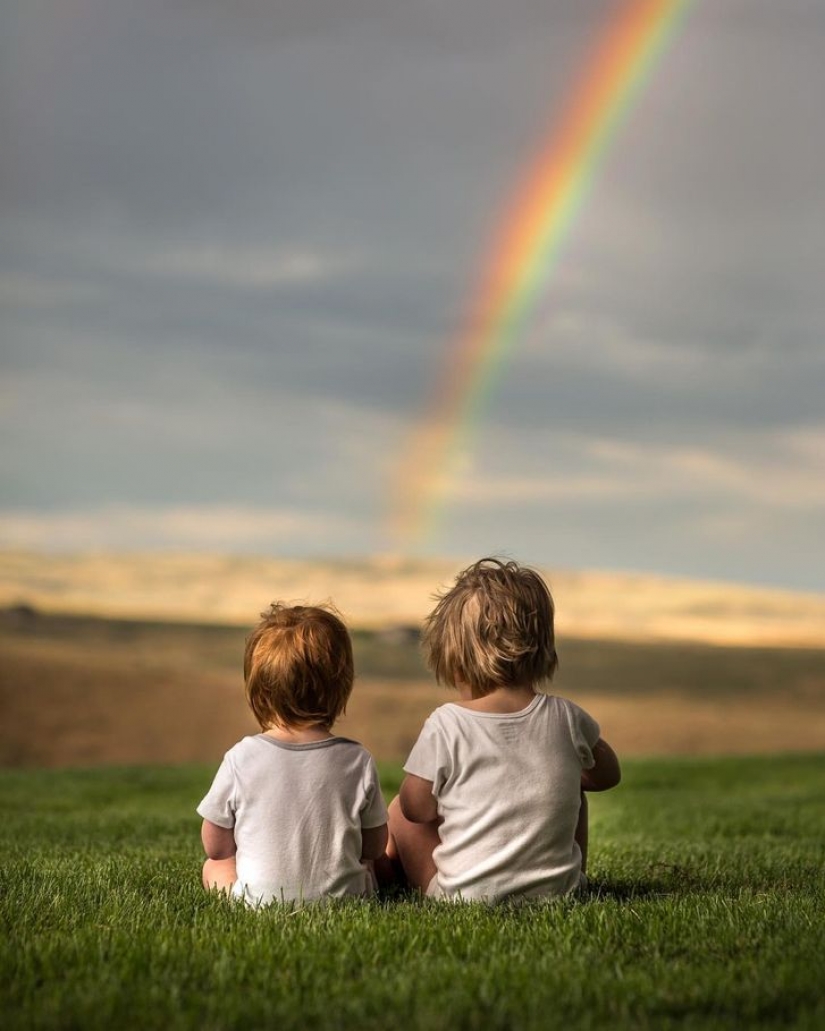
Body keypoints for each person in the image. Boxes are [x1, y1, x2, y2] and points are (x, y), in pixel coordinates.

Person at [385, 557, 620, 903]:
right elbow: (608, 775)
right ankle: (567, 880)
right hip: (560, 895)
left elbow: (416, 809)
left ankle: (398, 880)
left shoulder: (447, 724)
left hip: (466, 898)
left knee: (396, 811)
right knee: (578, 794)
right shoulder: (567, 717)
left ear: (457, 660)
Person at [197, 602, 388, 906]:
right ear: (341, 688)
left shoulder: (241, 758)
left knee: (214, 867)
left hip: (260, 904)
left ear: (259, 692)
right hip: (347, 902)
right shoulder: (358, 760)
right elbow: (375, 846)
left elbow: (215, 846)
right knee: (367, 867)